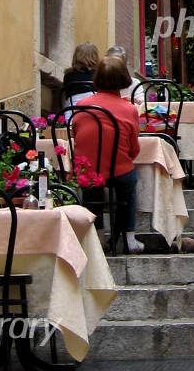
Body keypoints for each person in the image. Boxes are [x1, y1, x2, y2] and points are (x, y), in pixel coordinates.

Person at [71, 55, 144, 252]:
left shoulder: (81, 106)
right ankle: (129, 238)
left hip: (88, 172)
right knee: (128, 187)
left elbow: (76, 136)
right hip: (119, 171)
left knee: (91, 189)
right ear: (124, 79)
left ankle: (98, 239)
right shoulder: (130, 109)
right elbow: (133, 150)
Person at [61, 42, 99, 111]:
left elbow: (66, 95)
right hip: (95, 111)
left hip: (73, 112)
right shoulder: (99, 74)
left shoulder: (68, 74)